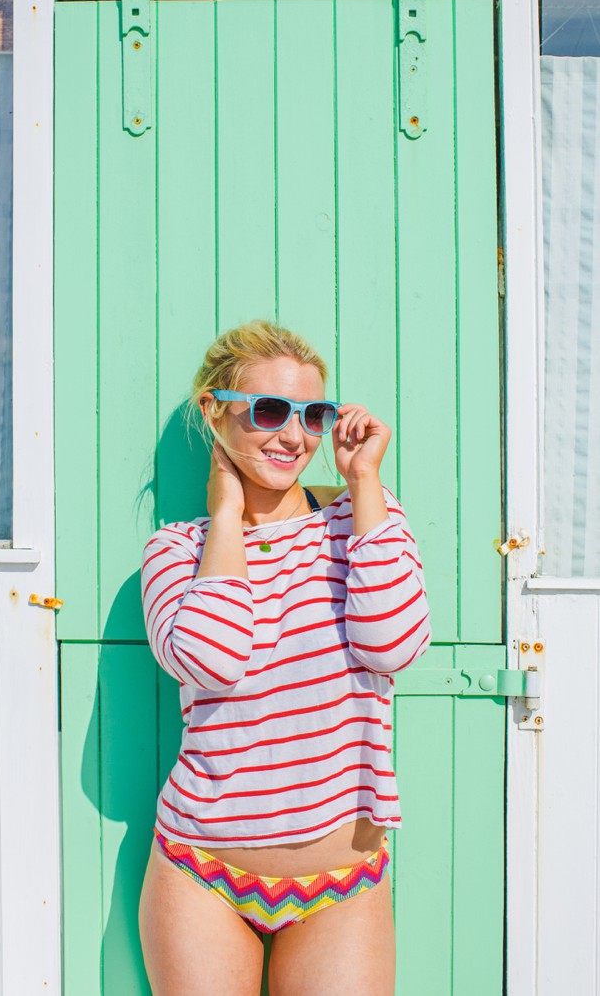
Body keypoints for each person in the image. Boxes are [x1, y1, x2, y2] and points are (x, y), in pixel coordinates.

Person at [138, 320, 432, 996]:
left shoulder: (367, 520)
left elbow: (394, 643)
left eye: (313, 415)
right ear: (215, 411)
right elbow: (211, 660)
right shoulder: (177, 551)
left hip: (342, 884)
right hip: (201, 870)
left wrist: (362, 479)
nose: (294, 436)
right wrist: (228, 513)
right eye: (269, 410)